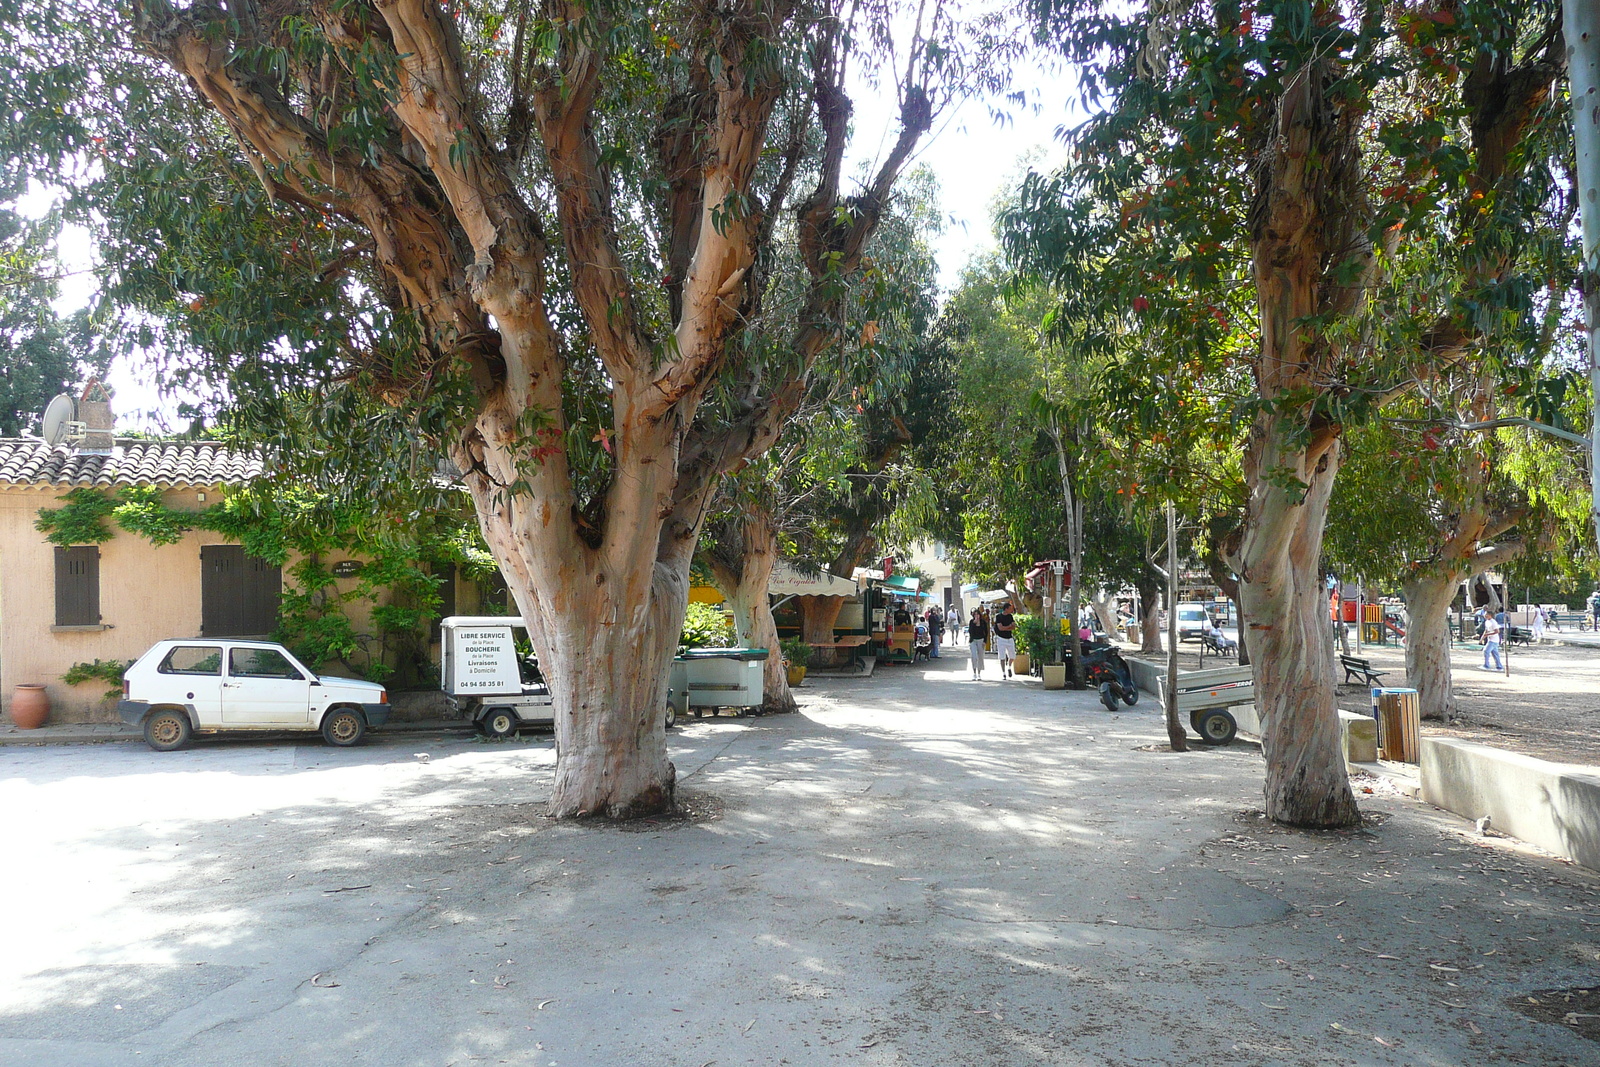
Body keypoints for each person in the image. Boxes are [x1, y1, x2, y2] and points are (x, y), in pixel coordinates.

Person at [993, 601, 1017, 678]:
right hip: (1001, 639)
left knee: (1012, 655)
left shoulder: (1010, 616)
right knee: (1002, 656)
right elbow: (1000, 628)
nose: (1011, 610)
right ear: (1006, 609)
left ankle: (1009, 667)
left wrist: (1006, 628)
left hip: (1009, 638)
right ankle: (1003, 672)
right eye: (1010, 608)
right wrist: (1008, 627)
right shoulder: (999, 617)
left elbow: (1013, 627)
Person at [966, 607, 990, 680]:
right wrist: (974, 624)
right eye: (975, 614)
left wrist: (985, 641)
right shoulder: (971, 622)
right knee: (974, 656)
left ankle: (979, 673)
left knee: (980, 657)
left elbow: (986, 632)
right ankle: (974, 673)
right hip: (973, 641)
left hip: (981, 640)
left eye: (977, 614)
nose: (976, 616)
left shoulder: (983, 622)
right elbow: (970, 631)